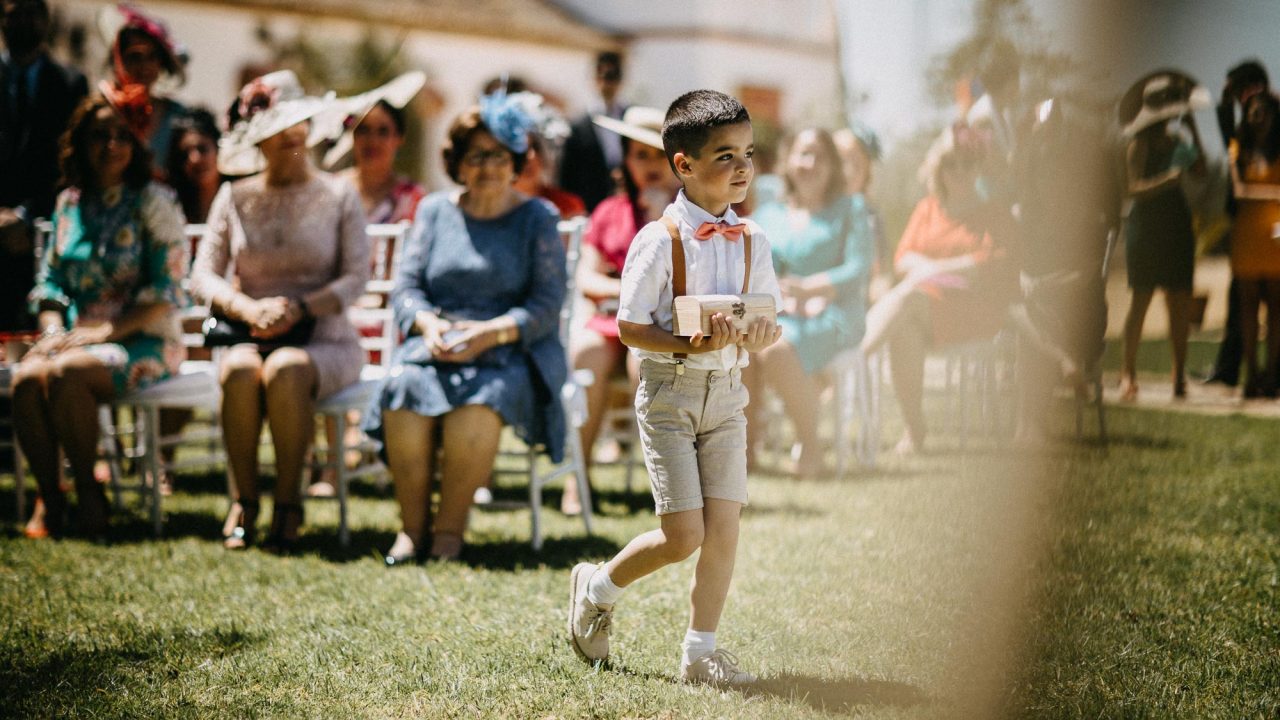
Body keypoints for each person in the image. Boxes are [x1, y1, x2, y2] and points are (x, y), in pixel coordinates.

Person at [568, 90, 782, 686]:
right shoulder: (659, 240)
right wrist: (691, 344)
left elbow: (767, 320)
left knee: (726, 525)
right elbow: (629, 326)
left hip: (728, 396)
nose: (742, 167)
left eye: (747, 153)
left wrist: (760, 335)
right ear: (683, 165)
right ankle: (597, 586)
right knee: (683, 534)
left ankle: (699, 650)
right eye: (724, 156)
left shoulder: (754, 240)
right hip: (670, 393)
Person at [362, 92, 567, 565]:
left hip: (510, 351)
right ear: (457, 161)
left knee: (477, 404)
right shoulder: (435, 211)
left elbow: (546, 304)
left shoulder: (537, 218)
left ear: (516, 160)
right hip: (438, 344)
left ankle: (449, 533)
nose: (488, 166)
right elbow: (407, 287)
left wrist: (489, 333)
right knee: (401, 388)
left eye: (498, 155)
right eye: (476, 155)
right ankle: (412, 530)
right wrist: (427, 324)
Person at [190, 70, 369, 552]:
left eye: (298, 130)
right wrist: (247, 308)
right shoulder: (235, 195)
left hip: (325, 338)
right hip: (252, 333)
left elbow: (357, 277)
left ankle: (289, 502)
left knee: (287, 369)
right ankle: (244, 501)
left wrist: (302, 307)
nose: (291, 142)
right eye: (278, 134)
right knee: (240, 372)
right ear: (258, 140)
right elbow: (203, 274)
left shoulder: (338, 194)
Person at [11, 96, 187, 538]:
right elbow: (49, 284)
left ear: (136, 144)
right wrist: (53, 331)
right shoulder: (69, 204)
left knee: (68, 373)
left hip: (144, 338)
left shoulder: (153, 201)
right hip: (75, 338)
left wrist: (99, 334)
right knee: (26, 379)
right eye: (99, 135)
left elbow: (166, 291)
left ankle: (91, 493)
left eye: (121, 135)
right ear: (80, 144)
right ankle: (51, 496)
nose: (111, 145)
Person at [859, 130, 1019, 454]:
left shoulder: (994, 213)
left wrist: (932, 269)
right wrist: (941, 268)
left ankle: (853, 358)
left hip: (976, 312)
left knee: (906, 297)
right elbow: (903, 258)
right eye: (951, 165)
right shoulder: (928, 208)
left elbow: (990, 263)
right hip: (928, 306)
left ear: (979, 169)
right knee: (903, 327)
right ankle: (915, 430)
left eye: (967, 165)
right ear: (939, 170)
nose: (959, 172)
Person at [563, 106, 678, 515]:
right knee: (586, 355)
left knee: (644, 363)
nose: (649, 165)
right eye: (639, 155)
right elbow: (586, 278)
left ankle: (668, 483)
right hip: (611, 320)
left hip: (663, 324)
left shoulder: (687, 216)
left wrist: (659, 217)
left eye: (658, 155)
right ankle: (578, 478)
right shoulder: (608, 212)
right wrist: (628, 289)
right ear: (626, 161)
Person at [745, 127, 874, 477]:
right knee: (744, 345)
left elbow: (859, 268)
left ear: (833, 165)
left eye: (820, 155)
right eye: (804, 154)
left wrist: (812, 290)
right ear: (788, 162)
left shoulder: (851, 208)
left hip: (836, 313)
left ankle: (811, 448)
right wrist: (783, 298)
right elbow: (759, 271)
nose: (811, 163)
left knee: (773, 348)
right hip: (784, 313)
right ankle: (744, 454)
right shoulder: (768, 215)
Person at [1117, 71, 1208, 401]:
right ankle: (1127, 372)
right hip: (1146, 227)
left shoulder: (1178, 143)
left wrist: (1194, 129)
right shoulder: (1138, 144)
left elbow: (1201, 172)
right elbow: (1132, 188)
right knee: (1140, 300)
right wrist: (1165, 182)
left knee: (1180, 302)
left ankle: (1178, 374)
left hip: (1176, 225)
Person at [1, 0, 89, 331]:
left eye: (31, 13)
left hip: (43, 232)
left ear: (45, 20)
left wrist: (25, 216)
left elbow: (72, 164)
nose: (23, 22)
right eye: (13, 14)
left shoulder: (70, 83)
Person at [1206, 60, 1272, 387]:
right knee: (1241, 304)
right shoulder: (1243, 137)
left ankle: (1254, 371)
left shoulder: (1267, 125)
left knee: (1265, 303)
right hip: (1248, 228)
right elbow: (1229, 142)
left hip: (1269, 227)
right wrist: (1224, 103)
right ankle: (1235, 369)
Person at [1227, 92, 1280, 397]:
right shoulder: (1239, 148)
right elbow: (1239, 191)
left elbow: (1250, 191)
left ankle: (1272, 372)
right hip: (1247, 235)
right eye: (1252, 112)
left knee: (1276, 307)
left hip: (1274, 237)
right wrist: (1274, 195)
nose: (1257, 118)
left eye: (1263, 112)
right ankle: (1252, 373)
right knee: (1247, 307)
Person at [97, 3, 189, 174]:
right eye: (134, 57)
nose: (144, 66)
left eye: (152, 57)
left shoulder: (177, 116)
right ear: (118, 60)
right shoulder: (101, 110)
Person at [558, 51, 627, 212]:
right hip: (591, 208)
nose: (606, 83)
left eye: (612, 76)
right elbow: (567, 176)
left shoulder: (632, 117)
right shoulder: (578, 126)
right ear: (593, 79)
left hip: (628, 207)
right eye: (601, 76)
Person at [164, 107, 221, 223]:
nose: (194, 159)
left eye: (202, 149)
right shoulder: (170, 205)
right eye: (185, 154)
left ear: (218, 148)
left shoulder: (242, 198)